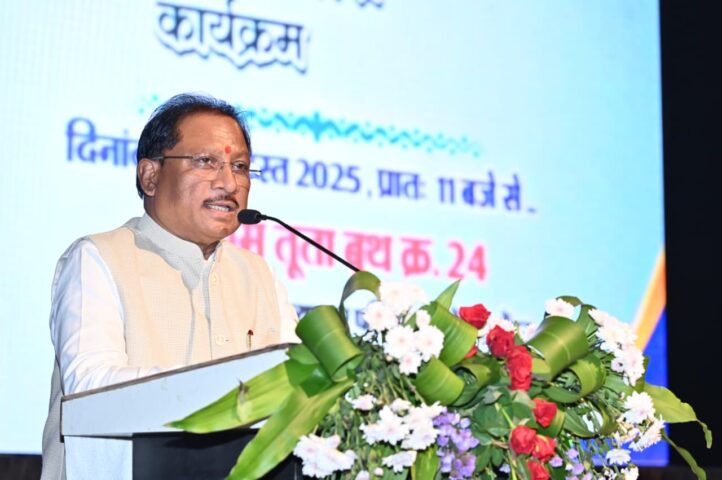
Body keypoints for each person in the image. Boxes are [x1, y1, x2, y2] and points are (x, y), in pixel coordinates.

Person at [41, 93, 298, 479]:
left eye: (240, 166)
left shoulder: (260, 275)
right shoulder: (96, 258)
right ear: (150, 176)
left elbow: (298, 390)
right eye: (206, 161)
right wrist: (235, 392)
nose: (229, 182)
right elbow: (91, 388)